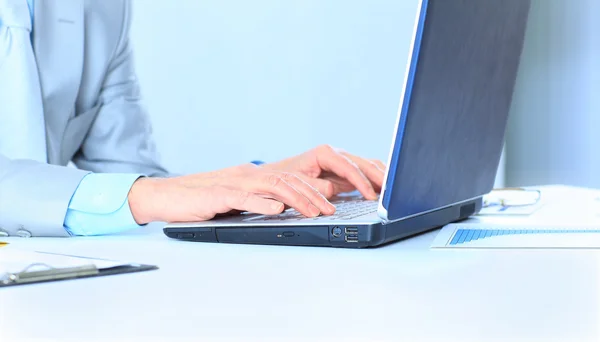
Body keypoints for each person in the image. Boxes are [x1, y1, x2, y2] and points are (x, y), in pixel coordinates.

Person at [0, 0, 385, 237]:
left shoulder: (102, 8)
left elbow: (130, 182)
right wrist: (153, 195)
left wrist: (254, 185)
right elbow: (141, 196)